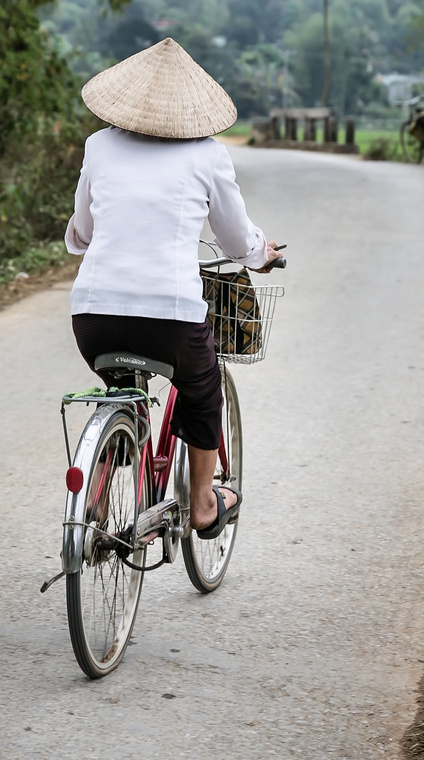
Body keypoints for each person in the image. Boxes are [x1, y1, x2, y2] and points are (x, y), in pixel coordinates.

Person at [65, 37, 282, 539]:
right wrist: (261, 254)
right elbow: (235, 240)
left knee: (121, 386)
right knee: (202, 390)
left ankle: (95, 495)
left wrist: (85, 232)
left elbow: (83, 231)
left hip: (94, 320)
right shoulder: (207, 155)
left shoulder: (98, 146)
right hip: (171, 320)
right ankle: (204, 504)